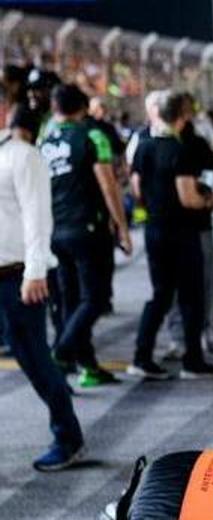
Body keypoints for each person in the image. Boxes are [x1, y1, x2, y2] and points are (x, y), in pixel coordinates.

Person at [0, 96, 86, 471]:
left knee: (34, 359)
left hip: (17, 276)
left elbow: (38, 217)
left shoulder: (22, 156)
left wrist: (36, 270)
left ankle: (68, 436)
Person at [128, 91, 213, 380]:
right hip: (183, 232)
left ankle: (141, 356)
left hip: (155, 229)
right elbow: (188, 197)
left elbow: (136, 188)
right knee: (191, 297)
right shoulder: (180, 151)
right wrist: (212, 200)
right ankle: (192, 360)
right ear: (182, 116)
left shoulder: (145, 146)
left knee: (160, 295)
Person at [38, 84, 131, 387]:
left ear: (55, 109)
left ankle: (87, 366)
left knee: (70, 300)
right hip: (88, 230)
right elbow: (108, 185)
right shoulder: (92, 135)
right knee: (95, 298)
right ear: (83, 108)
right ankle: (62, 352)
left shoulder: (44, 141)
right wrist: (122, 226)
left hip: (55, 229)